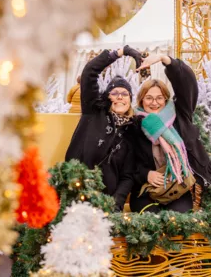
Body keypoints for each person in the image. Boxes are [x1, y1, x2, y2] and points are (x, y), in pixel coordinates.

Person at [130, 53, 211, 213]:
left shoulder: (180, 115)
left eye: (159, 98)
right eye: (149, 98)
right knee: (149, 220)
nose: (154, 103)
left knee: (178, 220)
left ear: (166, 99)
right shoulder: (134, 125)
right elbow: (127, 163)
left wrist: (164, 59)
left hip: (179, 187)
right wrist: (146, 174)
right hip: (147, 190)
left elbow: (187, 84)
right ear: (141, 101)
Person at [65, 46, 142, 211]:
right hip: (76, 194)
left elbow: (128, 176)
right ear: (107, 97)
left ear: (130, 99)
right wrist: (120, 53)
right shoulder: (94, 111)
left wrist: (116, 203)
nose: (120, 97)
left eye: (125, 93)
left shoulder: (131, 130)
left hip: (106, 202)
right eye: (115, 93)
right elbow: (89, 72)